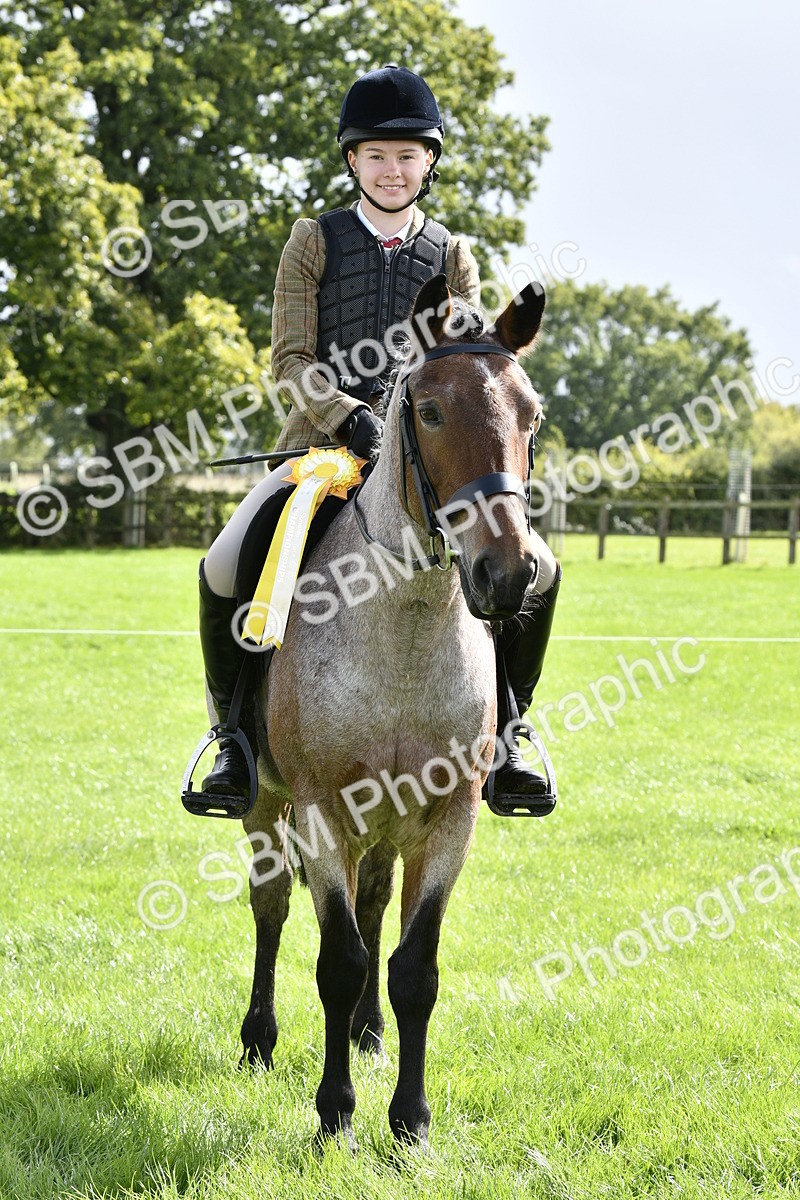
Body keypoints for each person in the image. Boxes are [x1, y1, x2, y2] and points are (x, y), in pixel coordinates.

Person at [193, 63, 561, 813]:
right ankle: (231, 740)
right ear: (352, 161)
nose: (392, 170)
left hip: (429, 459)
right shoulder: (313, 240)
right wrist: (350, 416)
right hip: (322, 455)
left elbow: (465, 361)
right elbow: (289, 361)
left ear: (429, 163)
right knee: (228, 559)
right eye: (375, 156)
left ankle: (511, 735)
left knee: (543, 569)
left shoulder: (452, 254)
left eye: (407, 156)